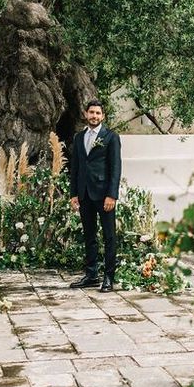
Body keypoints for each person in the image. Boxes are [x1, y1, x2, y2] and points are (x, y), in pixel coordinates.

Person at [68, 99, 122, 292]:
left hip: (104, 195)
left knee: (109, 236)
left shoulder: (111, 137)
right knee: (89, 235)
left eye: (98, 113)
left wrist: (112, 195)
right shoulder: (78, 137)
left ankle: (109, 277)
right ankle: (91, 275)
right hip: (84, 194)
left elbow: (115, 168)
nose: (94, 116)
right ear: (86, 114)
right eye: (91, 112)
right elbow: (75, 168)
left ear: (103, 116)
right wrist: (74, 193)